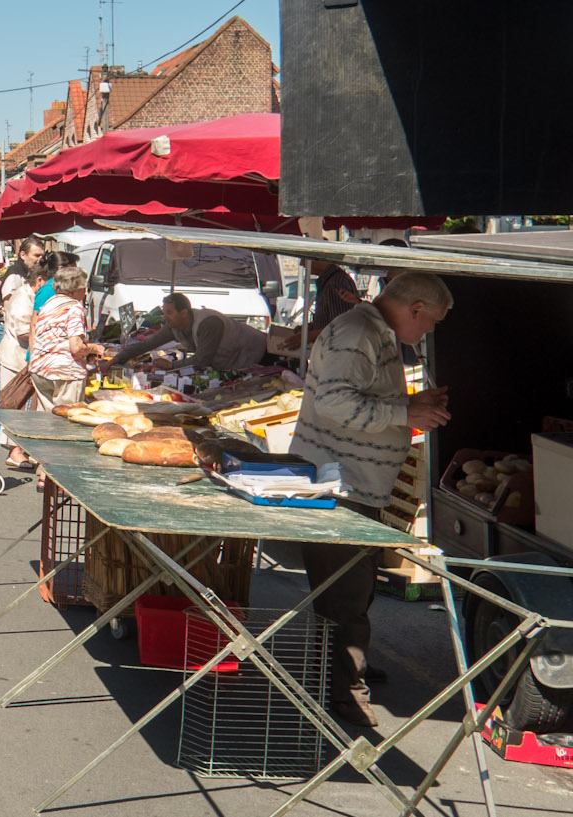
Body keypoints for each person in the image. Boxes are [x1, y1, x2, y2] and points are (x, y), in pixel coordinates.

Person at [290, 272, 452, 729]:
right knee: (345, 594)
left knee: (349, 591)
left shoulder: (370, 331)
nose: (429, 332)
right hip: (339, 487)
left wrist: (409, 403)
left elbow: (355, 397)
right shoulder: (358, 331)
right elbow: (334, 403)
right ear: (415, 307)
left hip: (353, 483)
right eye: (430, 322)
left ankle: (346, 669)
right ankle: (346, 693)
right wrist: (405, 411)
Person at [108, 292, 270, 373]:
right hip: (232, 363)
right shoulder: (174, 326)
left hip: (259, 354)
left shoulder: (208, 324)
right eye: (164, 313)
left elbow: (201, 360)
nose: (165, 317)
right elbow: (147, 344)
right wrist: (114, 360)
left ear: (184, 312)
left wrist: (172, 365)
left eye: (169, 313)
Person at [28, 266, 98, 413]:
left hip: (40, 368)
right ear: (74, 288)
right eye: (83, 287)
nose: (85, 291)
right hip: (65, 372)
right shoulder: (74, 307)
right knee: (66, 419)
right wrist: (94, 349)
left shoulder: (49, 303)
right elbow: (76, 347)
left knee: (46, 419)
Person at [0, 265, 38, 470]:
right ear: (39, 281)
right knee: (14, 403)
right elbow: (23, 330)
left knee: (20, 404)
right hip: (15, 356)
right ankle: (14, 451)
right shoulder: (23, 297)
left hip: (20, 356)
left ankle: (19, 449)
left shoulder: (27, 295)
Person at [280, 260, 363, 352]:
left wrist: (308, 336)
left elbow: (341, 327)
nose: (302, 264)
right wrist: (311, 327)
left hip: (336, 354)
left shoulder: (337, 283)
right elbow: (330, 322)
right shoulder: (330, 281)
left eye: (305, 258)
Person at [1, 237, 44, 301]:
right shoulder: (14, 275)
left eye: (42, 256)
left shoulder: (32, 272)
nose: (40, 260)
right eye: (36, 256)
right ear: (23, 255)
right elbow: (8, 304)